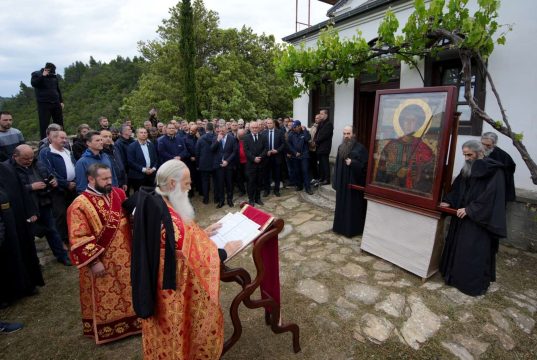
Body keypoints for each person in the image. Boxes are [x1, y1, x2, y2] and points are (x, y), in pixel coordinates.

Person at [129, 160, 241, 359]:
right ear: (172, 184)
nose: (190, 188)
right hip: (174, 294)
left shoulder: (156, 199)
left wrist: (204, 232)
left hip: (158, 286)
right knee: (179, 337)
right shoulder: (172, 222)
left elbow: (178, 241)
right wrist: (225, 251)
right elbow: (193, 258)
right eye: (187, 183)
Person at [67, 163, 141, 344]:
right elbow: (78, 237)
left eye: (110, 178)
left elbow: (130, 218)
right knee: (107, 293)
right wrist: (93, 262)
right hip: (102, 259)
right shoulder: (79, 205)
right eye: (104, 179)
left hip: (127, 254)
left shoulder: (118, 194)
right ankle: (110, 328)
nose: (110, 182)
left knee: (130, 288)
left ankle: (137, 320)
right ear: (91, 179)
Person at [439, 140, 506, 296]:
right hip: (461, 218)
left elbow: (491, 197)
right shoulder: (467, 169)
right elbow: (458, 188)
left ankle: (468, 284)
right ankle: (453, 277)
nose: (467, 158)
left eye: (470, 154)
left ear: (480, 152)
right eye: (465, 155)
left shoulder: (494, 171)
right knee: (458, 249)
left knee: (471, 252)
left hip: (477, 222)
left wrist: (470, 209)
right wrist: (448, 201)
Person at [11, 145, 71, 265]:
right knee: (29, 235)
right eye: (25, 159)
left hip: (44, 202)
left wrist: (54, 180)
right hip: (26, 207)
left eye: (31, 158)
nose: (29, 161)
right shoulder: (9, 168)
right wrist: (31, 187)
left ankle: (62, 256)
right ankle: (33, 262)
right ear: (15, 156)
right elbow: (11, 189)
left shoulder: (38, 163)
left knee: (52, 231)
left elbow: (49, 174)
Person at [0, 161, 43, 305]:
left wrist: (31, 211)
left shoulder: (6, 169)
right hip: (4, 221)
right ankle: (8, 294)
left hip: (17, 218)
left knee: (22, 251)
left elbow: (21, 191)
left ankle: (27, 285)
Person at [376, 111, 434, 193]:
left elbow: (430, 176)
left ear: (418, 124)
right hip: (391, 192)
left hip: (413, 195)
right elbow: (380, 173)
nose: (409, 124)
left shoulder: (424, 148)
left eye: (413, 121)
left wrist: (417, 175)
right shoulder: (391, 146)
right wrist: (396, 174)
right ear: (401, 123)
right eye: (406, 120)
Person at [41, 130, 77, 245]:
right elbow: (49, 171)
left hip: (72, 187)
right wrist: (66, 184)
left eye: (65, 138)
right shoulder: (47, 152)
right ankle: (61, 241)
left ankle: (72, 236)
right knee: (60, 215)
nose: (65, 140)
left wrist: (74, 181)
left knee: (72, 212)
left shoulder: (67, 151)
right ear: (53, 138)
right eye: (62, 138)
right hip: (58, 190)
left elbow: (74, 166)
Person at [332, 126, 368, 237]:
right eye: (344, 133)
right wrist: (336, 182)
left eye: (348, 133)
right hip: (342, 184)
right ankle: (339, 228)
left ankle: (352, 230)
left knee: (352, 208)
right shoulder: (340, 147)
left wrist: (353, 162)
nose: (346, 136)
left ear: (353, 134)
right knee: (341, 206)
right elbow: (337, 165)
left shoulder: (360, 148)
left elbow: (365, 166)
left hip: (353, 185)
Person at [31, 62, 64, 139]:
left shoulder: (53, 76)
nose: (52, 72)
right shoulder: (36, 74)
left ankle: (61, 137)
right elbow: (34, 84)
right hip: (44, 103)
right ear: (46, 69)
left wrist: (61, 101)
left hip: (56, 102)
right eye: (51, 70)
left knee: (59, 122)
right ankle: (44, 140)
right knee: (44, 123)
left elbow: (57, 89)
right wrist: (43, 76)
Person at [481, 132, 516, 202]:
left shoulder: (503, 156)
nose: (484, 147)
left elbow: (509, 172)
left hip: (495, 189)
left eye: (488, 145)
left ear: (494, 144)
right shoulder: (477, 151)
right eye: (482, 144)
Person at [212, 125, 237, 208]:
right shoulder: (216, 138)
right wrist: (218, 140)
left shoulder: (232, 138)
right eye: (220, 130)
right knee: (220, 184)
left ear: (227, 130)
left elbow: (234, 152)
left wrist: (227, 161)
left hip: (229, 165)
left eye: (223, 130)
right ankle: (221, 201)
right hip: (219, 166)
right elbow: (212, 149)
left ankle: (230, 200)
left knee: (229, 183)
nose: (221, 132)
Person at [243, 121, 267, 206]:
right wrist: (254, 158)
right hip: (251, 165)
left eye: (256, 127)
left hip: (261, 163)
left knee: (259, 182)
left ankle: (258, 198)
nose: (254, 129)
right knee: (251, 183)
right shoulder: (246, 138)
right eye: (253, 128)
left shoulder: (263, 137)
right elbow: (246, 151)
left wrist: (260, 157)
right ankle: (251, 199)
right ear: (250, 128)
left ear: (258, 128)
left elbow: (266, 149)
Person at [127, 128, 158, 192]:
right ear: (137, 134)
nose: (143, 134)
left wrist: (153, 168)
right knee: (140, 197)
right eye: (141, 132)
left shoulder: (151, 145)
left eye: (145, 132)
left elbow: (156, 158)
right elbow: (131, 162)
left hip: (151, 175)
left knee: (151, 195)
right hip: (138, 177)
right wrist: (144, 170)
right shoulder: (131, 146)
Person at [288, 120, 313, 195]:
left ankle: (308, 188)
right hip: (295, 156)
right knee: (297, 171)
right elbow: (289, 145)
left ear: (299, 126)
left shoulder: (305, 132)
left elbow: (307, 139)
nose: (294, 128)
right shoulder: (291, 134)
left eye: (295, 127)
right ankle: (299, 186)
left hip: (304, 156)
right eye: (293, 127)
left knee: (305, 171)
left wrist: (305, 130)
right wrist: (295, 152)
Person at [263, 118, 285, 197]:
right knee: (266, 175)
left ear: (274, 124)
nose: (269, 125)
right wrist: (266, 152)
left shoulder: (280, 132)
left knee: (277, 174)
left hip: (277, 156)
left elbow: (283, 144)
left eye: (270, 123)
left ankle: (276, 190)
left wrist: (277, 150)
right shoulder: (263, 133)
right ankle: (267, 190)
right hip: (267, 157)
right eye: (267, 123)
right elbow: (262, 146)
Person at [196, 122, 216, 204]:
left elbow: (197, 152)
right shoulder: (216, 138)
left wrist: (197, 164)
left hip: (203, 163)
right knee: (215, 181)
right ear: (213, 129)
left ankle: (206, 199)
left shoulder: (200, 139)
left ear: (206, 128)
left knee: (205, 181)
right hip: (214, 163)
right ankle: (216, 198)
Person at [313, 109, 334, 185]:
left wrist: (316, 141)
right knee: (320, 164)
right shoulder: (321, 123)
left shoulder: (329, 124)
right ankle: (321, 178)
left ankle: (327, 179)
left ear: (326, 115)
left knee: (325, 163)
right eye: (320, 114)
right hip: (319, 147)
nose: (320, 115)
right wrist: (315, 140)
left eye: (322, 114)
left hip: (325, 147)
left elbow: (324, 136)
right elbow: (317, 134)